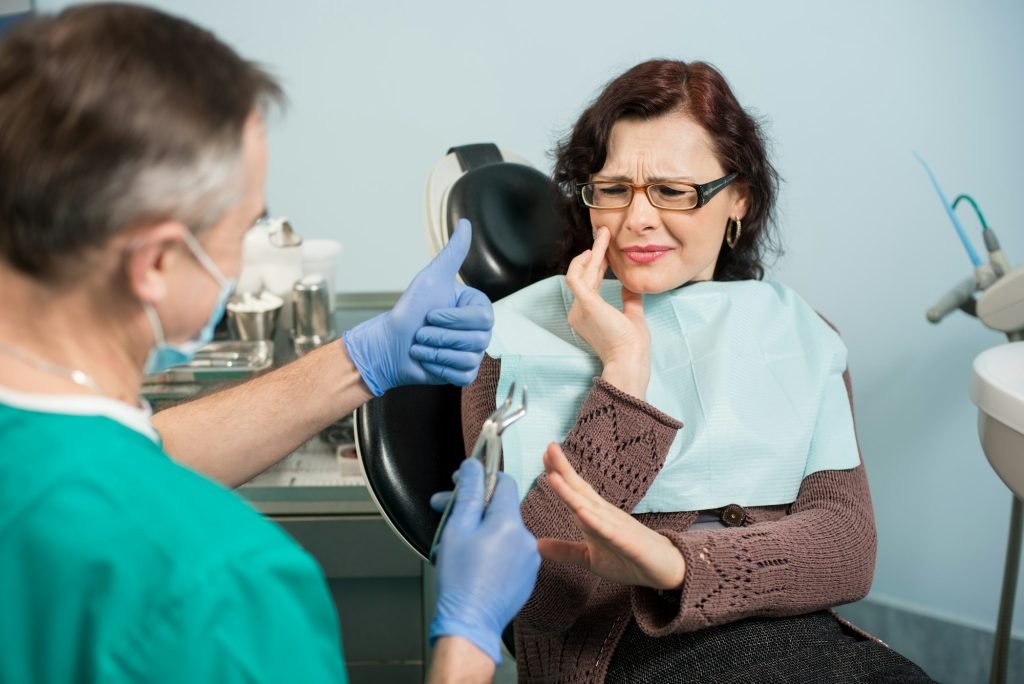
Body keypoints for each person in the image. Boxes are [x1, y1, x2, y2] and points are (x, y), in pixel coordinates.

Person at [0, 5, 538, 683]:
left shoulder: (44, 454)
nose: (248, 250)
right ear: (157, 263)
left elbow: (118, 465)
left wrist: (359, 362)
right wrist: (469, 634)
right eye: (246, 224)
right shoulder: (222, 589)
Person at [461, 59, 935, 682]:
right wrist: (623, 376)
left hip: (806, 645)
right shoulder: (507, 343)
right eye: (614, 188)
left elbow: (845, 547)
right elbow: (538, 593)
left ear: (738, 198)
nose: (638, 219)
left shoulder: (801, 338)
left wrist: (678, 564)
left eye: (673, 191)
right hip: (619, 652)